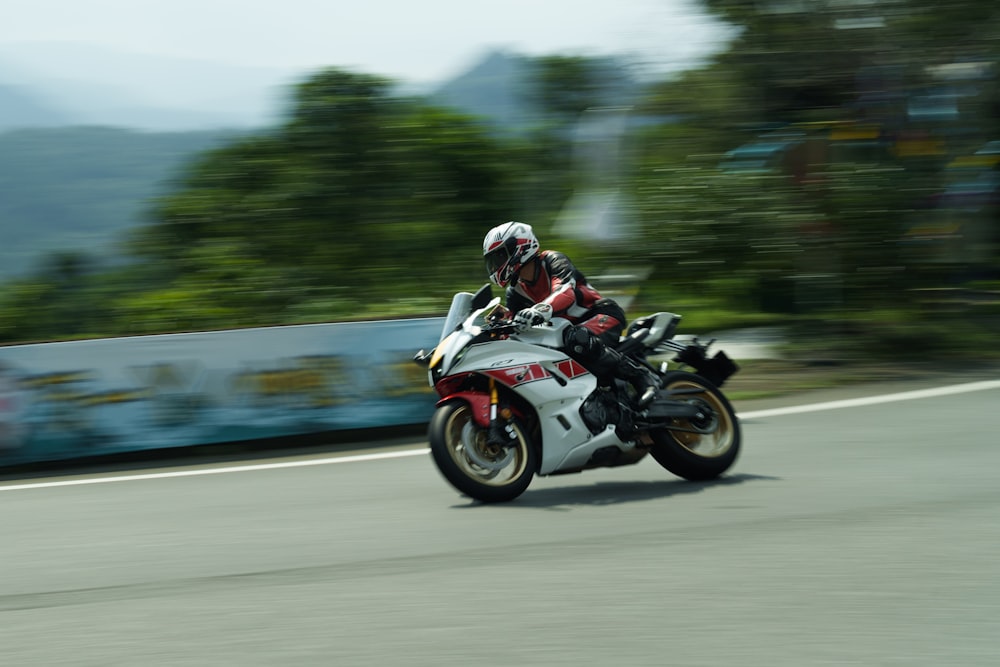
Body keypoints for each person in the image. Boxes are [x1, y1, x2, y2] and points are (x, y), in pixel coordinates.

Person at [482, 221, 657, 405]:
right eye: (493, 260)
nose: (496, 264)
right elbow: (516, 326)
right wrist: (498, 327)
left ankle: (641, 377)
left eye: (500, 256)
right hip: (567, 331)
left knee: (575, 338)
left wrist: (538, 310)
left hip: (600, 314)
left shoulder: (552, 260)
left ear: (519, 248)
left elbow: (565, 292)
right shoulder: (515, 291)